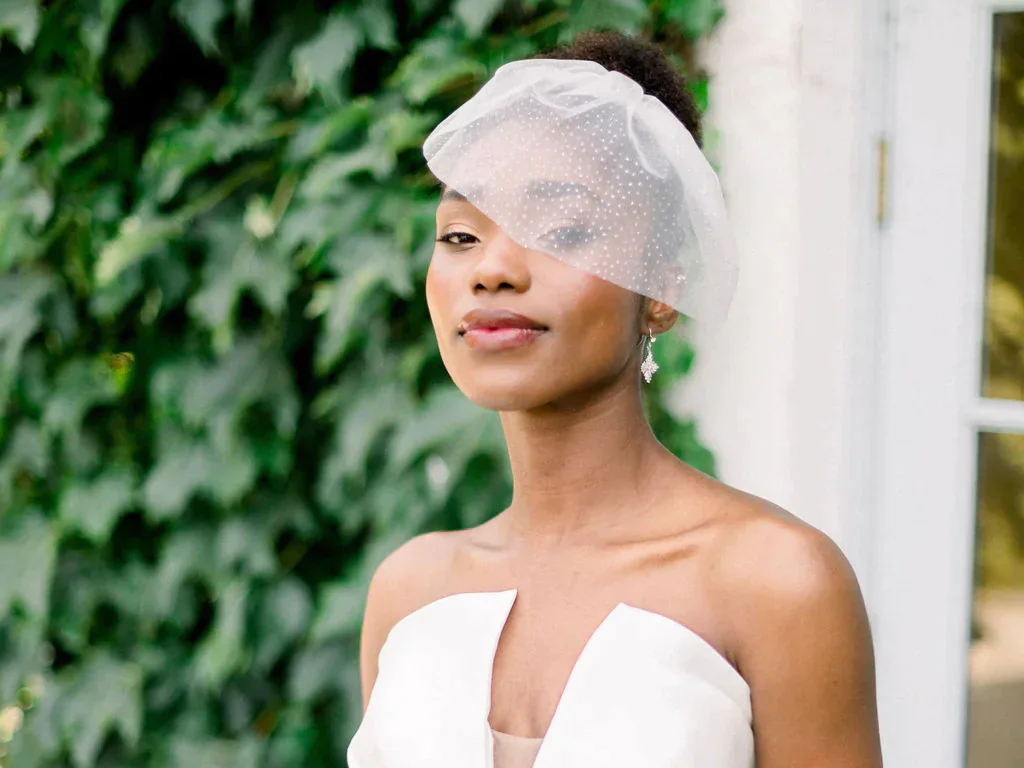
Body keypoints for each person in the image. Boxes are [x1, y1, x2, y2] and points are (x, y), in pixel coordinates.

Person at [346, 29, 883, 768]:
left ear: (663, 291)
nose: (492, 270)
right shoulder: (409, 592)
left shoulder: (779, 583)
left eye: (560, 229)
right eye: (462, 234)